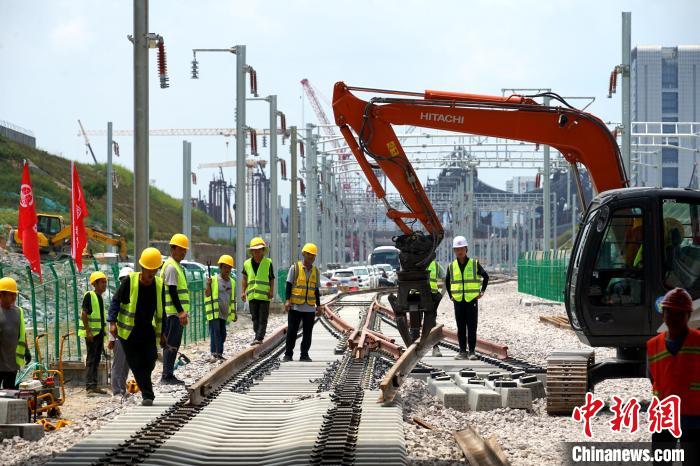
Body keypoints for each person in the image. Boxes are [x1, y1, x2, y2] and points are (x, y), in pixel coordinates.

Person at [647, 288, 699, 466]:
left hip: (695, 419)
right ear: (664, 314)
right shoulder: (653, 346)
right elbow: (653, 379)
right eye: (670, 312)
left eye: (679, 314)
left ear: (688, 315)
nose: (673, 318)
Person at [108, 248, 167, 406]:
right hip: (128, 332)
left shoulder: (159, 285)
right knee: (136, 363)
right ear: (142, 268)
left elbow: (162, 312)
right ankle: (148, 396)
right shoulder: (130, 281)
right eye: (149, 271)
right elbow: (115, 302)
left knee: (150, 358)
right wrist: (112, 323)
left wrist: (163, 334)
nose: (151, 275)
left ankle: (144, 384)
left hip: (147, 328)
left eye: (154, 271)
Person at [445, 236, 489, 360]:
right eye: (457, 249)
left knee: (472, 326)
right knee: (460, 327)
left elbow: (486, 276)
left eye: (462, 249)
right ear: (454, 251)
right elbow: (447, 282)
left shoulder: (474, 263)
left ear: (466, 249)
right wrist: (451, 296)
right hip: (458, 301)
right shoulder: (451, 266)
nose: (459, 251)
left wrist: (482, 291)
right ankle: (462, 351)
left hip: (471, 300)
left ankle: (472, 352)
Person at [159, 233, 190, 385]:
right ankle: (166, 375)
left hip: (174, 313)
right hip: (173, 314)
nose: (183, 252)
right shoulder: (171, 267)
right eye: (181, 249)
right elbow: (172, 291)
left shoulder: (176, 266)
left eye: (185, 250)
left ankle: (169, 373)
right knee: (171, 343)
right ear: (173, 248)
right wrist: (180, 312)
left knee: (173, 343)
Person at [283, 243, 322, 362]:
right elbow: (289, 285)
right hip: (295, 306)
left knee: (307, 333)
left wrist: (319, 306)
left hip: (309, 308)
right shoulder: (295, 268)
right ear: (303, 254)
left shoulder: (316, 271)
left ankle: (304, 354)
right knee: (292, 331)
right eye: (308, 254)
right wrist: (287, 300)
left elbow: (316, 290)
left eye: (313, 255)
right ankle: (288, 354)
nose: (310, 257)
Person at [79, 271, 109, 396]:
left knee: (96, 359)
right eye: (102, 282)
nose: (104, 285)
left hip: (99, 333)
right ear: (95, 283)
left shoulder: (99, 298)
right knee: (91, 359)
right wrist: (88, 331)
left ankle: (94, 385)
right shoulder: (89, 295)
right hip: (92, 334)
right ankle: (89, 387)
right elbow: (84, 314)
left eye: (105, 282)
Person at [242, 237, 275, 345]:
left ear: (263, 251)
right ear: (251, 251)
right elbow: (244, 279)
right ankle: (257, 335)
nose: (257, 252)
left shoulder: (268, 262)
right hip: (252, 296)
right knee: (255, 318)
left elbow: (271, 278)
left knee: (263, 318)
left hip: (264, 296)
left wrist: (271, 291)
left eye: (259, 250)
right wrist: (243, 291)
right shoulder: (247, 263)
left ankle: (259, 338)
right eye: (255, 250)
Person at [408, 259, 444, 357]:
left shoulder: (434, 264)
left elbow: (445, 278)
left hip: (430, 294)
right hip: (415, 293)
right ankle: (415, 348)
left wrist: (441, 294)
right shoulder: (411, 262)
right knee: (415, 322)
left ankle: (434, 347)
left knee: (431, 321)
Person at [204, 255, 237, 361]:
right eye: (225, 267)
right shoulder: (213, 279)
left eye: (229, 267)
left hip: (224, 313)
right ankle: (215, 353)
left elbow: (233, 298)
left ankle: (218, 352)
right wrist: (208, 285)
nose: (227, 269)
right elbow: (207, 294)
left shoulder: (232, 282)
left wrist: (234, 312)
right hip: (214, 312)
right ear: (220, 267)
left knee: (223, 334)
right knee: (215, 332)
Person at [108, 266, 133, 396]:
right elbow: (112, 318)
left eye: (127, 279)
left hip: (130, 336)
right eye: (123, 280)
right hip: (119, 336)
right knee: (118, 365)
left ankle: (122, 389)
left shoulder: (133, 296)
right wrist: (111, 339)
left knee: (126, 365)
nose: (125, 282)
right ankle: (117, 391)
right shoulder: (118, 296)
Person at [0, 277, 29, 389]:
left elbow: (21, 332)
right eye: (11, 294)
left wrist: (26, 350)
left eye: (15, 294)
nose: (14, 297)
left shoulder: (18, 311)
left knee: (10, 395)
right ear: (1, 295)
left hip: (12, 364)